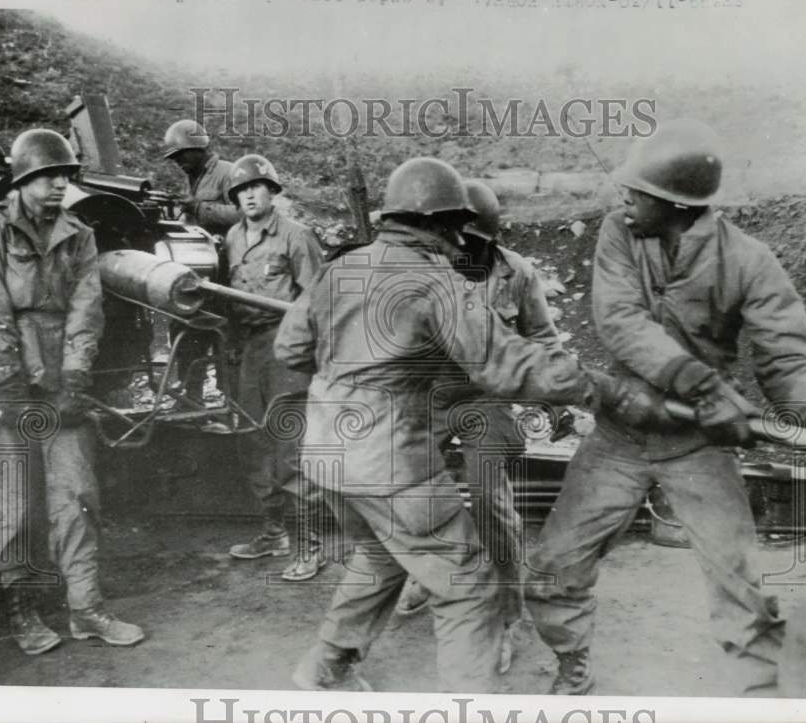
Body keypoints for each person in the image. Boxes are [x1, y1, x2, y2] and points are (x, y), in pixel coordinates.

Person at [275, 158, 613, 693]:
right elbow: (508, 365)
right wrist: (600, 387)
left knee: (382, 554)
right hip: (390, 456)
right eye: (456, 224)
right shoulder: (437, 282)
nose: (461, 237)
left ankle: (324, 670)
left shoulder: (340, 268)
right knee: (469, 587)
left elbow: (291, 350)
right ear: (437, 222)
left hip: (325, 448)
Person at [523, 119, 806, 696]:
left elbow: (787, 354)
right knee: (553, 568)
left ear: (674, 204)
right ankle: (571, 660)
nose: (624, 199)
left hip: (696, 446)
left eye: (636, 192)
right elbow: (620, 321)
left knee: (742, 594)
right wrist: (706, 388)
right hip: (620, 437)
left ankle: (764, 700)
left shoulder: (749, 259)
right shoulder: (619, 234)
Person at [0, 128, 144, 656]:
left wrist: (74, 379)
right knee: (14, 502)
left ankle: (86, 609)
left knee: (77, 495)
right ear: (23, 180)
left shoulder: (79, 234)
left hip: (61, 379)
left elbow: (87, 312)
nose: (61, 184)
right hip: (2, 382)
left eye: (66, 175)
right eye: (49, 176)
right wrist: (17, 385)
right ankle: (22, 610)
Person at [394, 179, 563, 675]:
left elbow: (544, 340)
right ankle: (429, 572)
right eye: (454, 236)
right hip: (430, 392)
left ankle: (506, 615)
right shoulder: (422, 270)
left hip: (487, 397)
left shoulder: (518, 274)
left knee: (491, 498)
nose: (461, 248)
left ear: (491, 238)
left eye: (474, 240)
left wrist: (552, 396)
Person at [223, 154, 327, 581]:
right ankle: (273, 532)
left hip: (287, 348)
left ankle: (311, 546)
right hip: (250, 349)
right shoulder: (232, 238)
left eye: (257, 187)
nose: (249, 194)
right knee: (253, 441)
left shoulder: (296, 237)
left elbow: (318, 302)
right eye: (241, 190)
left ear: (272, 192)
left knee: (291, 449)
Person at [161, 119, 237, 402]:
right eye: (175, 158)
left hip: (224, 270)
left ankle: (231, 400)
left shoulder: (228, 173)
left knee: (223, 333)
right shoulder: (192, 176)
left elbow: (241, 214)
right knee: (185, 327)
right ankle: (190, 398)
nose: (178, 162)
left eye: (181, 155)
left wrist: (201, 208)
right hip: (195, 269)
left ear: (198, 149)